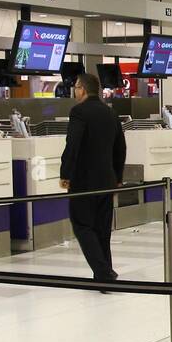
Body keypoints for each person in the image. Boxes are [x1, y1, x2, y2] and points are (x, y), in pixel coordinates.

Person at [60, 73, 126, 289]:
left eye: (76, 87)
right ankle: (103, 277)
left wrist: (65, 173)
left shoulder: (79, 112)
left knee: (82, 226)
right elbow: (120, 148)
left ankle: (104, 273)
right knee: (102, 229)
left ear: (82, 89)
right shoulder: (110, 113)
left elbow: (73, 144)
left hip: (84, 181)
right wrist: (117, 177)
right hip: (107, 180)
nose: (75, 91)